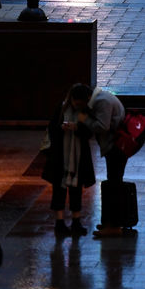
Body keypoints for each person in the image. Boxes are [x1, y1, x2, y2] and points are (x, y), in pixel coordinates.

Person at [70, 84, 127, 237]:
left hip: (116, 148)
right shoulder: (101, 98)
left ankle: (114, 226)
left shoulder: (102, 102)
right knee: (113, 182)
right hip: (114, 147)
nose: (78, 106)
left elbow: (102, 126)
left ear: (86, 98)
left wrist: (85, 119)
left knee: (114, 184)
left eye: (78, 103)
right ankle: (111, 222)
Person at [42, 85, 97, 237]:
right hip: (61, 156)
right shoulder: (61, 109)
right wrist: (62, 128)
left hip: (77, 157)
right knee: (59, 189)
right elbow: (52, 129)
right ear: (72, 99)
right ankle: (60, 223)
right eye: (77, 102)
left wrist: (77, 128)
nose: (78, 105)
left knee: (76, 189)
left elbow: (88, 132)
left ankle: (76, 221)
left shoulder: (84, 112)